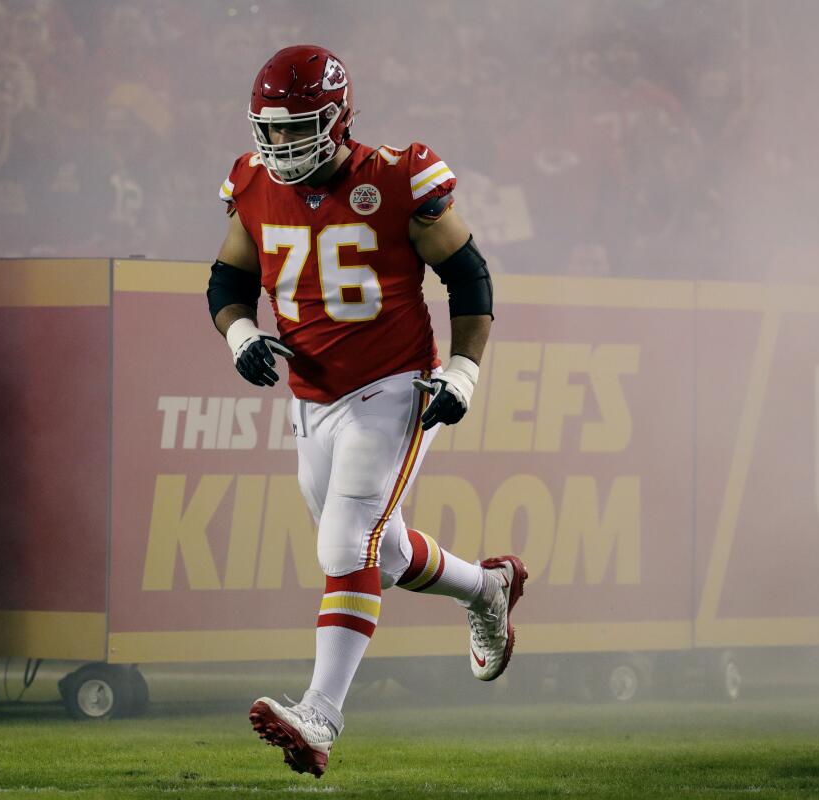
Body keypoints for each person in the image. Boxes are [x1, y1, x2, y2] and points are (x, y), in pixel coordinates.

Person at [207, 45, 527, 779]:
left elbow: (468, 277)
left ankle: (320, 713)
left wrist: (465, 372)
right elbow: (228, 277)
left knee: (346, 541)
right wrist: (241, 333)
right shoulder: (252, 181)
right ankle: (488, 587)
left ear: (339, 117)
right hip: (312, 398)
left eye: (300, 127)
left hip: (393, 385)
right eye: (273, 129)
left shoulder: (398, 175)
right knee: (378, 552)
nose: (282, 145)